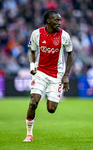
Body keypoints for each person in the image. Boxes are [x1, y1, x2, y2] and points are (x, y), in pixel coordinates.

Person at [23, 10, 74, 142]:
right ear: (49, 21)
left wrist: (66, 75)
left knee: (51, 109)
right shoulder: (37, 34)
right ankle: (29, 134)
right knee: (33, 102)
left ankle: (48, 95)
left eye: (60, 20)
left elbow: (70, 54)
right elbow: (32, 51)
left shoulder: (64, 36)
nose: (59, 22)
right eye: (57, 20)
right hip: (40, 72)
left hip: (56, 75)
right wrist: (32, 65)